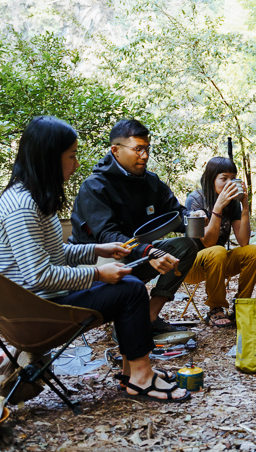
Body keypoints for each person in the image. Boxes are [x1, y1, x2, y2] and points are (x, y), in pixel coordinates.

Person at [0, 116, 189, 402]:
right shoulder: (22, 207)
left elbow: (54, 253)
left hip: (39, 299)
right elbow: (39, 275)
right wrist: (97, 274)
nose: (76, 164)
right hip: (34, 311)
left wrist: (97, 251)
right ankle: (141, 378)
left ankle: (134, 374)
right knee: (129, 290)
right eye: (71, 156)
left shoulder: (30, 198)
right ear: (49, 159)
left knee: (127, 283)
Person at [69, 119, 198, 334]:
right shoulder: (95, 186)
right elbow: (106, 235)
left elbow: (175, 212)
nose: (145, 156)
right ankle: (128, 330)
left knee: (186, 246)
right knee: (115, 256)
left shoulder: (150, 182)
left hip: (138, 254)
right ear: (115, 150)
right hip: (97, 264)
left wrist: (195, 216)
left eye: (146, 149)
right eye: (138, 149)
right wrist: (148, 251)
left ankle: (148, 316)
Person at [184, 157, 256, 328]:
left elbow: (243, 241)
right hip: (191, 266)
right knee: (217, 250)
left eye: (233, 178)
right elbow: (208, 242)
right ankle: (215, 308)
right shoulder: (196, 200)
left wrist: (244, 205)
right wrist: (217, 208)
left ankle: (241, 304)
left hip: (218, 264)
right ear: (211, 178)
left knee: (254, 251)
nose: (229, 183)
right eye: (224, 178)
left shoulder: (232, 204)